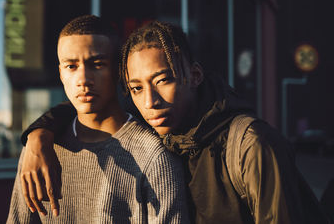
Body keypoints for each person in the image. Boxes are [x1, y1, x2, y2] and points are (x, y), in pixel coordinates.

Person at [21, 20, 330, 223]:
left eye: (164, 80)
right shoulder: (159, 125)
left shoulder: (249, 143)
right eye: (137, 88)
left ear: (194, 76)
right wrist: (39, 135)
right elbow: (89, 104)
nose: (150, 101)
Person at [6, 15, 190, 223]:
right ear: (60, 74)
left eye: (97, 64)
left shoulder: (154, 157)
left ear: (118, 70)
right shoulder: (38, 151)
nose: (83, 80)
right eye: (71, 66)